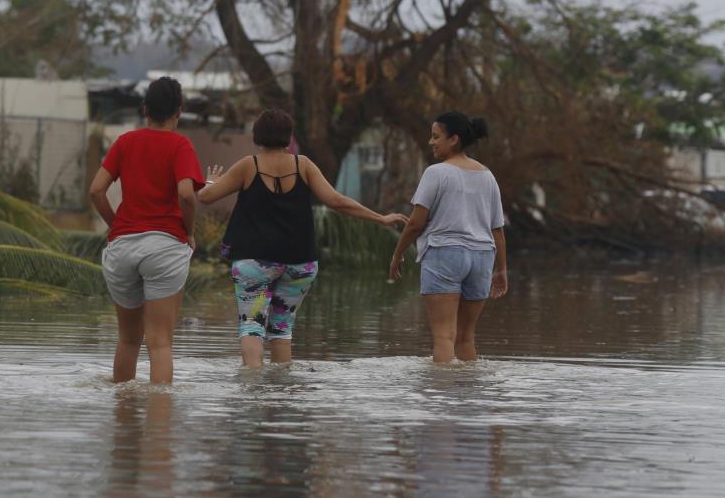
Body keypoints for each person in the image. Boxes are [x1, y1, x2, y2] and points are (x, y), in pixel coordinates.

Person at [198, 108, 408, 367]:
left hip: (254, 263)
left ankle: (251, 395)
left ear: (257, 136)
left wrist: (210, 182)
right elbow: (337, 201)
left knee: (251, 327)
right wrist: (381, 218)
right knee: (281, 329)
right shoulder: (304, 165)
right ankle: (283, 392)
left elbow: (205, 198)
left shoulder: (248, 166)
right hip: (300, 264)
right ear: (289, 137)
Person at [88, 77, 204, 384]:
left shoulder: (126, 142)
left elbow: (96, 191)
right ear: (178, 111)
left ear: (144, 109)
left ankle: (123, 417)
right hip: (165, 247)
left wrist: (118, 227)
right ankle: (159, 426)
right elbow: (186, 194)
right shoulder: (180, 145)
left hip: (123, 247)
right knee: (160, 342)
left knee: (128, 340)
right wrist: (189, 231)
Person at [388, 111, 508, 363]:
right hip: (483, 257)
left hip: (445, 253)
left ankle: (441, 397)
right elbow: (497, 229)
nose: (431, 142)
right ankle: (468, 397)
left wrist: (397, 254)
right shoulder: (488, 176)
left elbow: (415, 224)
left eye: (436, 136)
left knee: (444, 337)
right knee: (466, 337)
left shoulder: (436, 173)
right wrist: (502, 269)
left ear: (453, 139)